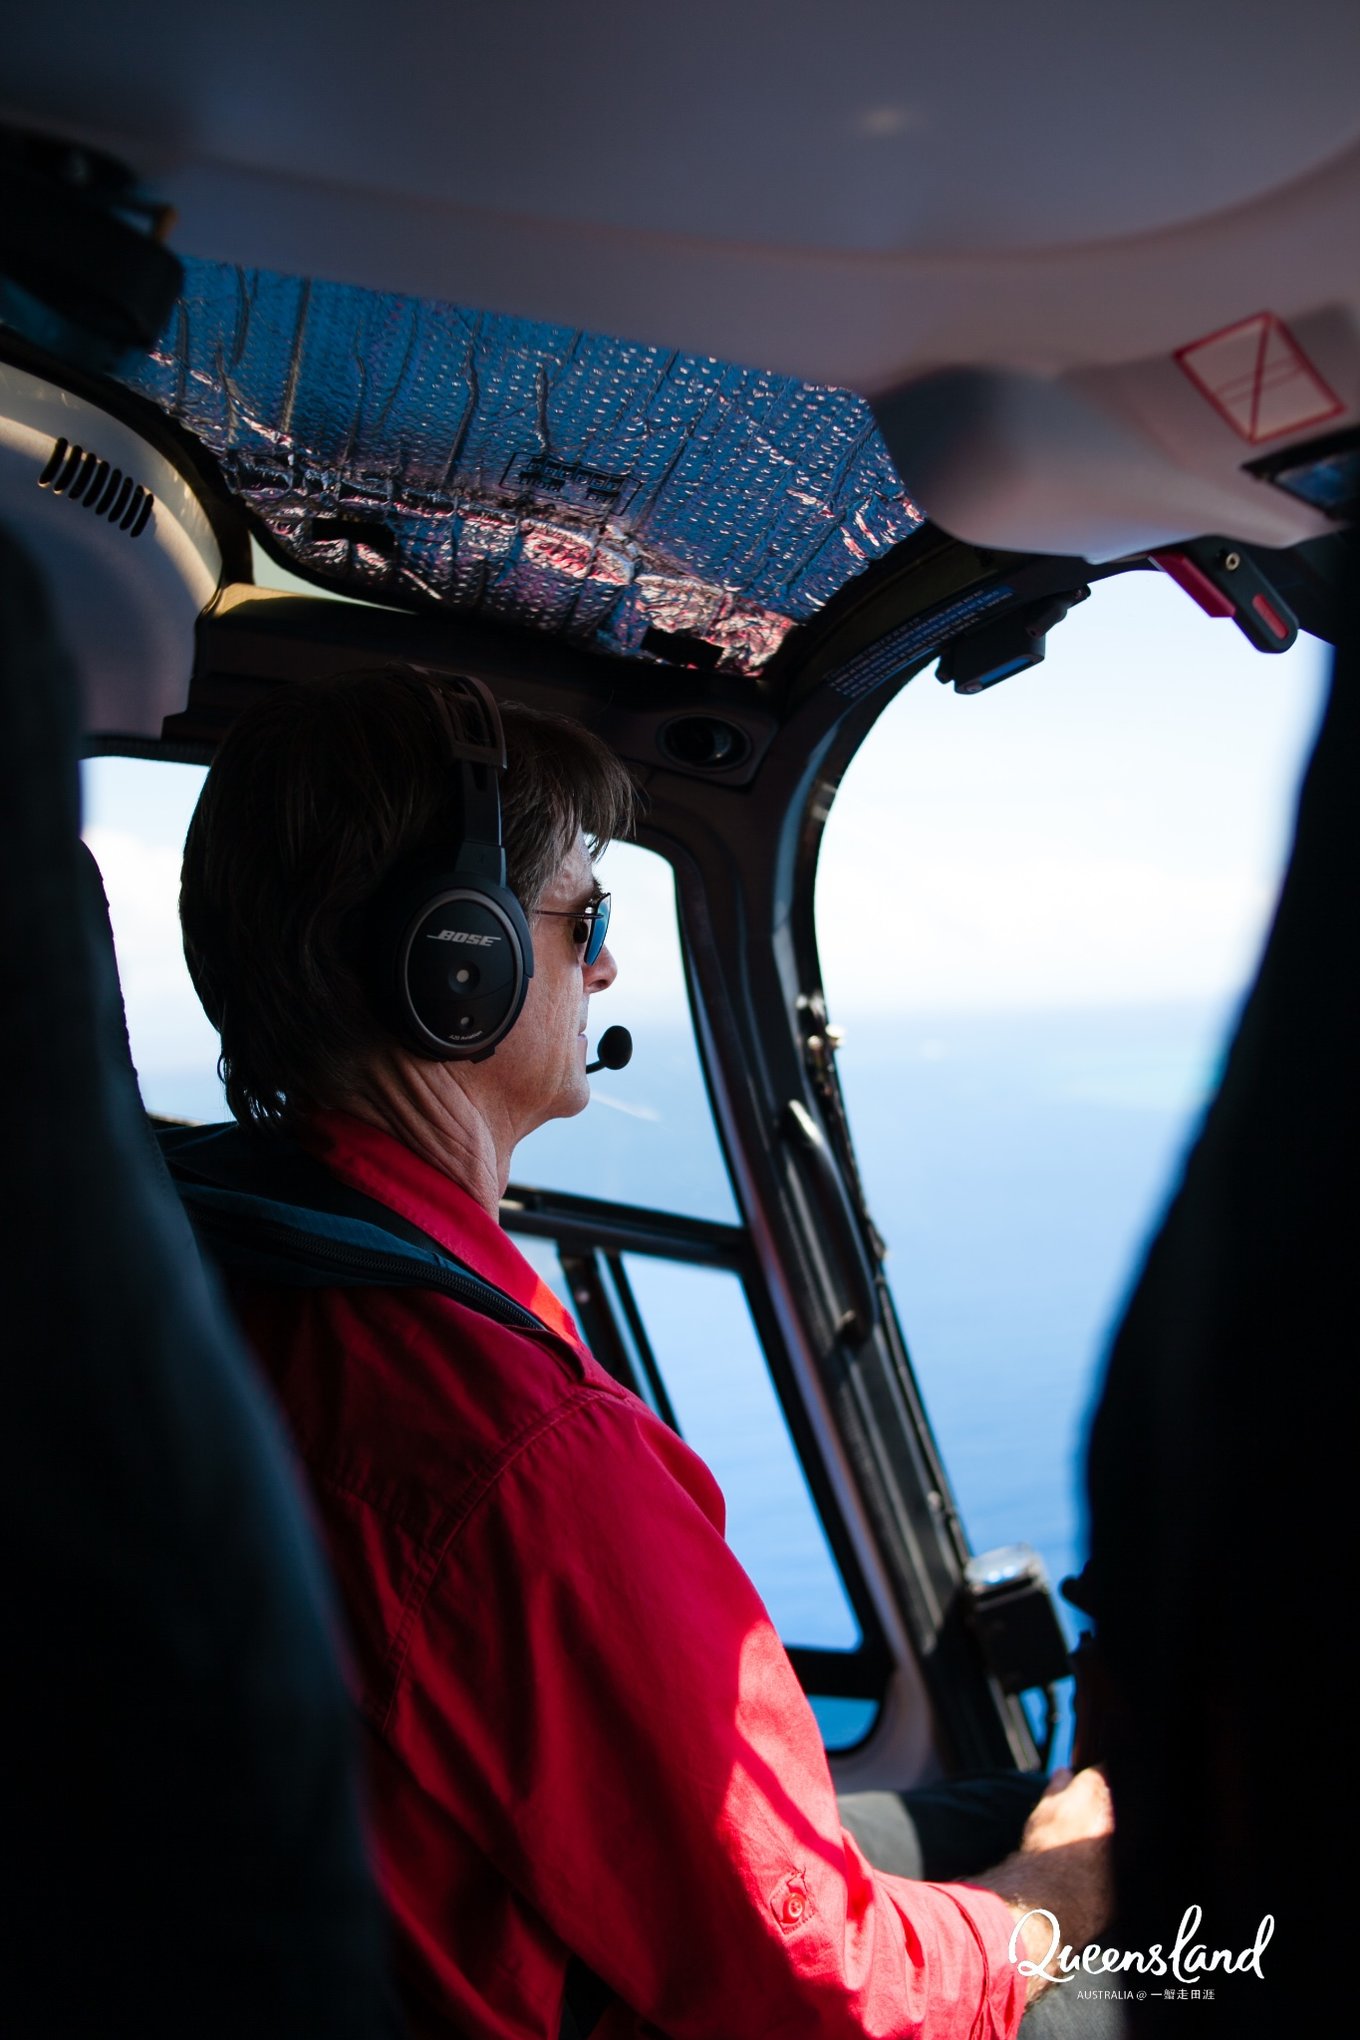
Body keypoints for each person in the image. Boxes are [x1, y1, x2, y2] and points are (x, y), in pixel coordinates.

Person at [178, 663, 1114, 2040]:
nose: (607, 962)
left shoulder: (208, 1262)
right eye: (585, 915)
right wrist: (1061, 1897)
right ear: (458, 959)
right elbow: (819, 1995)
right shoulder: (507, 1447)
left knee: (973, 1810)